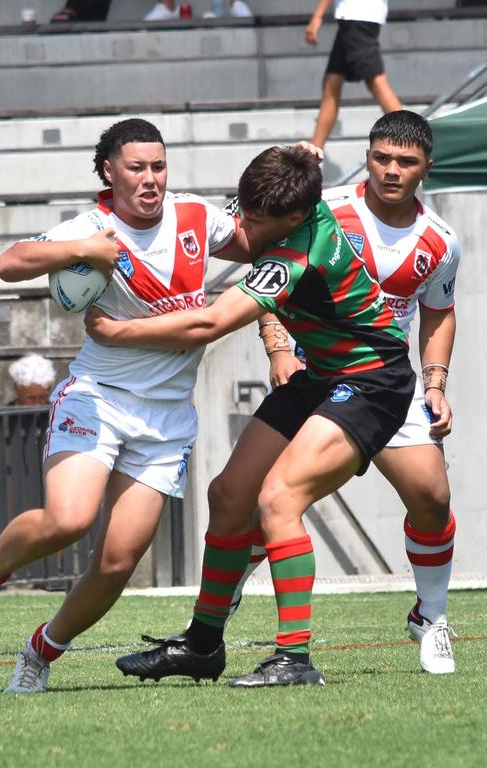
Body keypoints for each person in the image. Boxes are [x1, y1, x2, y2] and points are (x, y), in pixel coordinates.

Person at [0, 118, 255, 693]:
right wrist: (82, 249)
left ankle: (40, 650)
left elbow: (257, 243)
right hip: (98, 397)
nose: (151, 178)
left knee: (116, 564)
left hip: (167, 419)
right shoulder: (91, 227)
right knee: (69, 518)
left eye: (158, 166)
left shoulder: (197, 217)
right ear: (109, 170)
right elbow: (8, 263)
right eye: (137, 167)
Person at [98, 145, 415, 687]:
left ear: (292, 220)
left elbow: (210, 323)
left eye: (256, 220)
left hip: (372, 381)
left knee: (278, 499)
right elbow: (291, 172)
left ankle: (294, 658)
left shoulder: (294, 255)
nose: (243, 225)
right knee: (228, 495)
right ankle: (202, 646)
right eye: (243, 209)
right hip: (322, 375)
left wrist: (117, 331)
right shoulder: (289, 197)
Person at [230, 111, 461, 674]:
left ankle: (431, 616)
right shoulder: (324, 207)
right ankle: (232, 594)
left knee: (431, 497)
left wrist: (436, 384)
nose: (391, 170)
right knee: (267, 495)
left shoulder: (441, 241)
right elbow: (271, 273)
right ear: (366, 155)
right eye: (381, 157)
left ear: (426, 167)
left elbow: (439, 313)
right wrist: (277, 348)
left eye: (405, 161)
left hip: (381, 380)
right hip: (314, 372)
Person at [307, 0, 402, 149]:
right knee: (332, 83)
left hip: (356, 16)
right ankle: (312, 155)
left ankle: (413, 137)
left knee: (376, 81)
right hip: (359, 16)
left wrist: (317, 17)